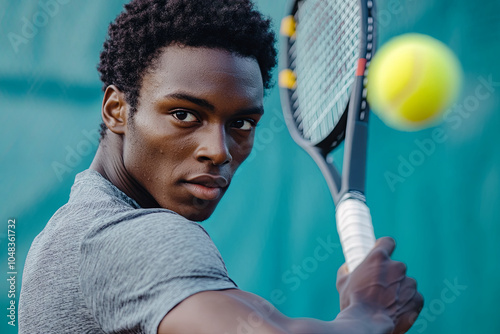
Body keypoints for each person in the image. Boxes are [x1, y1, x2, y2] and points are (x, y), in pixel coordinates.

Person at [19, 0, 423, 333]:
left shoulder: (70, 233)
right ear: (116, 110)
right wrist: (371, 315)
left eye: (241, 124)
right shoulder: (125, 237)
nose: (219, 151)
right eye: (184, 114)